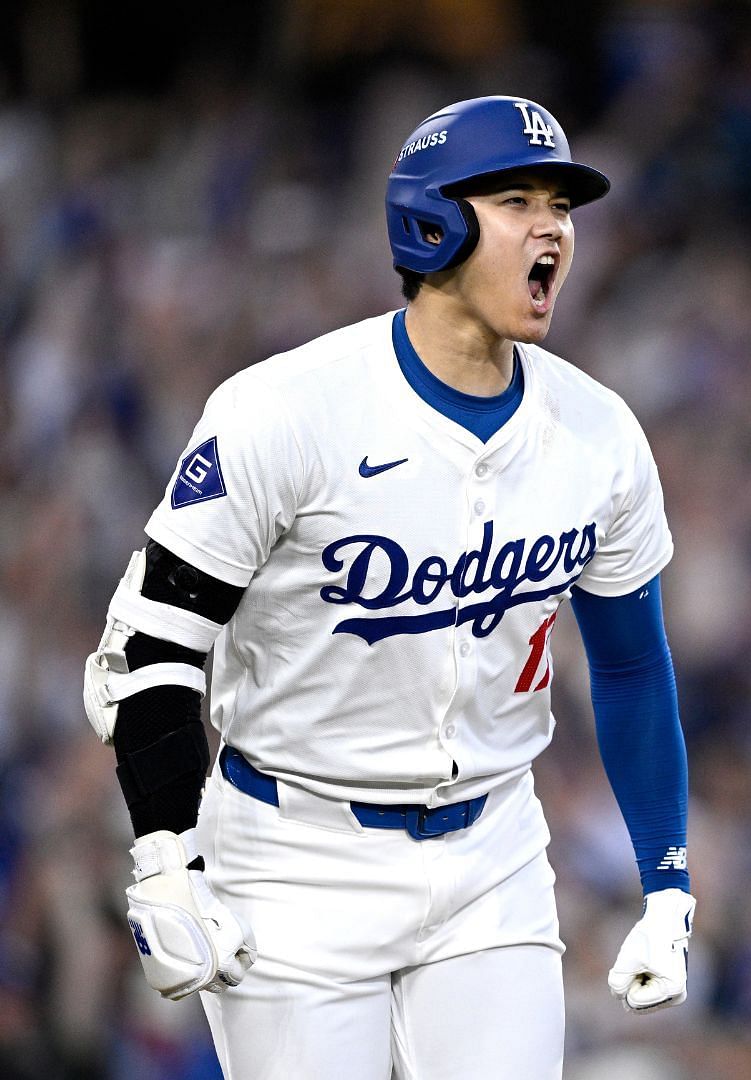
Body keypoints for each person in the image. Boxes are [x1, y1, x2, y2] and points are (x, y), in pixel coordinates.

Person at [81, 95, 694, 1079]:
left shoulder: (598, 434)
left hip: (491, 850)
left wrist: (667, 879)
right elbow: (152, 646)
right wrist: (167, 852)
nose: (552, 228)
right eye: (517, 199)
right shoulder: (288, 411)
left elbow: (631, 665)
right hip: (294, 854)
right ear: (433, 222)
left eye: (562, 206)